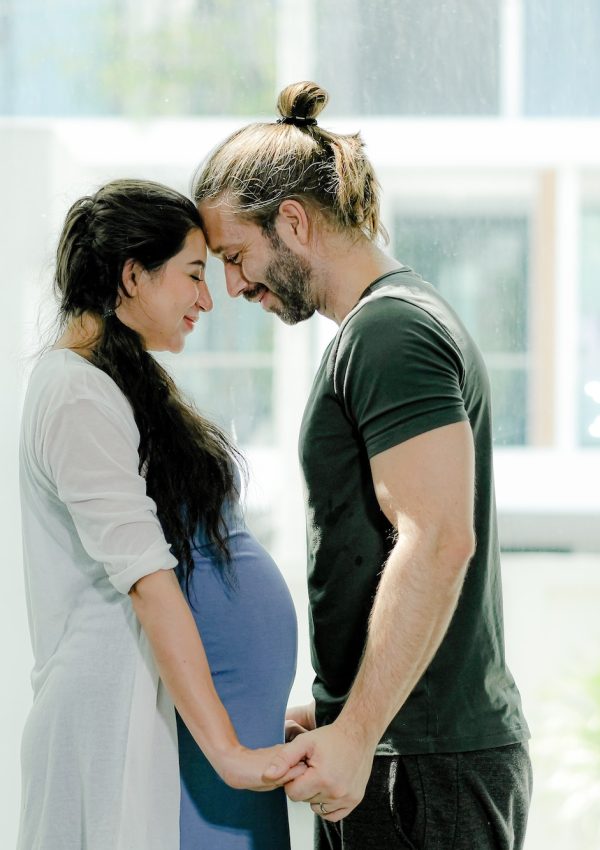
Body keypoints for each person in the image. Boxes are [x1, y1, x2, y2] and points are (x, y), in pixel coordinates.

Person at [192, 82, 533, 850]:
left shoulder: (390, 333)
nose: (236, 285)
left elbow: (439, 540)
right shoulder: (382, 329)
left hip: (423, 767)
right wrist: (346, 711)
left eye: (236, 257)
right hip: (403, 751)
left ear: (293, 222)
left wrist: (360, 732)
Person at [17, 178, 300, 850]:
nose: (207, 298)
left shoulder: (116, 382)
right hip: (115, 719)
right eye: (194, 274)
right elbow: (149, 580)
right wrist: (230, 751)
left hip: (173, 719)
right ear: (134, 275)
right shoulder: (75, 395)